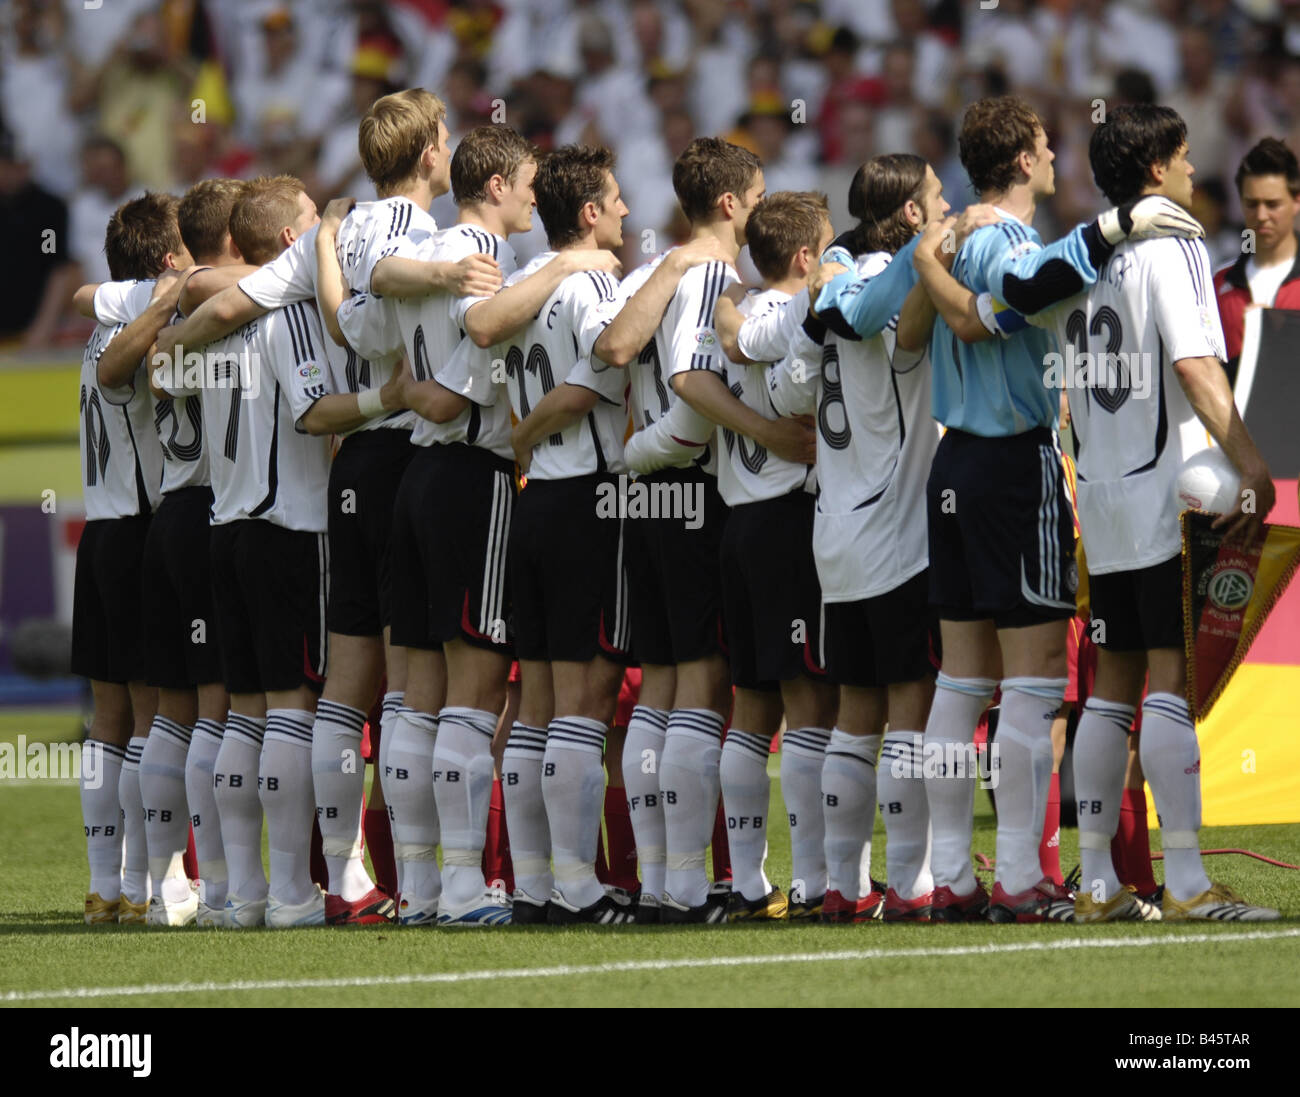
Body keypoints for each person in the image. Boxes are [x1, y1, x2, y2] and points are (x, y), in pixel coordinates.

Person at [154, 89, 498, 925]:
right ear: (428, 155)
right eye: (446, 138)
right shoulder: (440, 239)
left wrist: (169, 340)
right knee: (417, 681)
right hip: (403, 453)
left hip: (311, 487)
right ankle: (413, 881)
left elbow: (224, 303)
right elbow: (351, 352)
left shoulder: (327, 242)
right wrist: (400, 386)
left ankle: (290, 888)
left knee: (308, 698)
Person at [624, 191, 836, 921]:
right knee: (809, 702)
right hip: (787, 520)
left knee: (752, 705)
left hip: (739, 523)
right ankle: (811, 879)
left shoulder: (732, 314)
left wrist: (637, 451)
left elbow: (693, 384)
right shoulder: (789, 319)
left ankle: (748, 878)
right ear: (807, 257)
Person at [90, 179, 245, 926]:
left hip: (131, 528)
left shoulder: (121, 321)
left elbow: (101, 311)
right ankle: (199, 886)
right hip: (187, 516)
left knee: (134, 720)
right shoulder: (208, 316)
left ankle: (139, 883)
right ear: (166, 258)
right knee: (197, 709)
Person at [74, 193, 189, 924]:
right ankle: (150, 887)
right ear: (167, 261)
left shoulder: (98, 325)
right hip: (140, 530)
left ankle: (103, 885)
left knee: (105, 721)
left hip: (100, 531)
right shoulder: (139, 328)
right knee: (148, 717)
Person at [1213, 138, 1300, 386]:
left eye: (1272, 205)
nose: (1261, 216)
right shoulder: (1218, 284)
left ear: (1296, 201)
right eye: (1252, 204)